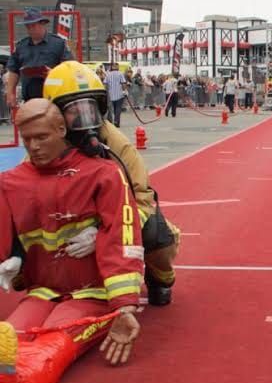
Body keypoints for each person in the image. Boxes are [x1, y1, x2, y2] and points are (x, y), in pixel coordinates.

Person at [0, 98, 143, 383]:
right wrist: (10, 260)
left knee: (49, 348)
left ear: (62, 129)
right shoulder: (11, 182)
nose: (34, 147)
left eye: (42, 137)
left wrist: (124, 306)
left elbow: (123, 236)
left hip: (92, 293)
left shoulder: (103, 174)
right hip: (43, 292)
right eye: (27, 139)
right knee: (8, 340)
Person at [42, 61, 179, 305]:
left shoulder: (117, 145)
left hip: (114, 216)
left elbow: (143, 198)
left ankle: (161, 277)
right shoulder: (44, 146)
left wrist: (104, 233)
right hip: (69, 221)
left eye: (90, 108)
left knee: (156, 234)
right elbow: (27, 195)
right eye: (74, 110)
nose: (85, 118)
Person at [5, 8, 74, 108]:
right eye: (27, 26)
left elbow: (69, 67)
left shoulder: (58, 44)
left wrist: (54, 73)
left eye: (33, 25)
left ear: (42, 24)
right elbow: (13, 70)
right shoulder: (21, 46)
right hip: (29, 101)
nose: (30, 29)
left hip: (54, 99)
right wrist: (10, 93)